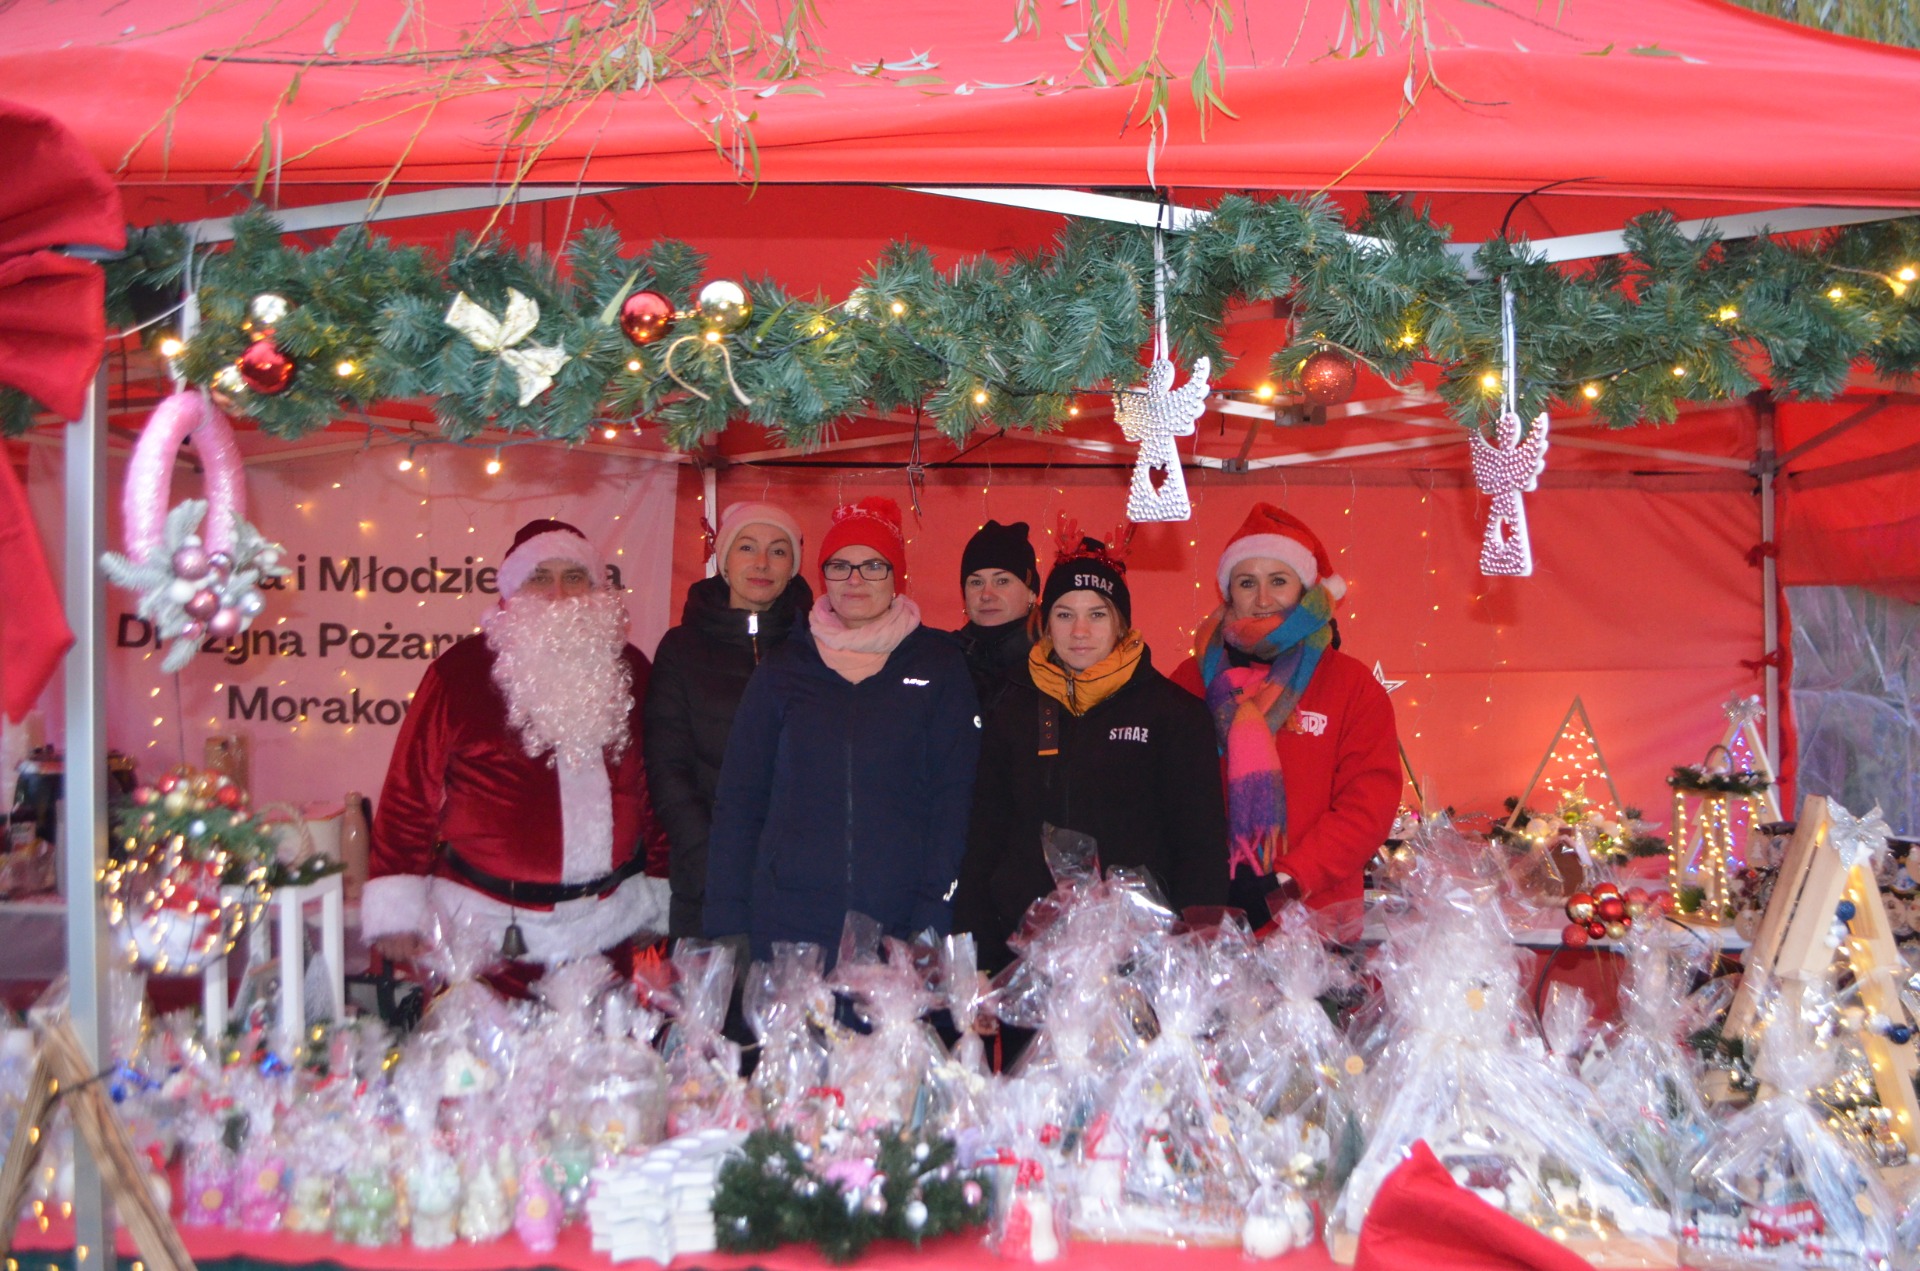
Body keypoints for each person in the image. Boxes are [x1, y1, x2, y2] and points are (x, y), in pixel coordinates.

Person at [365, 519, 669, 964]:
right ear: (512, 591)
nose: (558, 593)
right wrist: (397, 910)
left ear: (596, 589)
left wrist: (660, 890)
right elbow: (409, 793)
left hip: (606, 930)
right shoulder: (460, 673)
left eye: (574, 577)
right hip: (482, 933)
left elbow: (657, 789)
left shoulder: (632, 671)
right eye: (540, 577)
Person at [704, 496, 981, 962]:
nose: (855, 580)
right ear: (822, 576)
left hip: (899, 924)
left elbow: (953, 803)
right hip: (790, 927)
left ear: (895, 576)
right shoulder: (783, 668)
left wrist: (933, 917)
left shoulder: (938, 666)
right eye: (839, 566)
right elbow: (739, 801)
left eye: (873, 566)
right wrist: (728, 921)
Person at [954, 531, 1229, 973]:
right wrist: (978, 958)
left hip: (1140, 959)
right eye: (1064, 614)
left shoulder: (1174, 714)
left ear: (1121, 623)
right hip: (1025, 957)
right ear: (1046, 622)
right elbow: (983, 839)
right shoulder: (1012, 707)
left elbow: (1201, 851)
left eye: (1097, 614)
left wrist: (1191, 957)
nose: (1079, 631)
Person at [1169, 503, 1401, 923]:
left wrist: (1290, 879)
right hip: (1211, 915)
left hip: (1318, 919)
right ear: (1228, 593)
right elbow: (1166, 795)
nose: (1262, 599)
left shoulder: (1351, 684)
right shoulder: (1190, 679)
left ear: (1304, 589)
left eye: (1278, 580)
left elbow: (1368, 804)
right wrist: (1205, 876)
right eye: (1247, 582)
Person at [644, 502, 813, 940]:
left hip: (802, 885)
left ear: (793, 567)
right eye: (747, 547)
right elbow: (667, 769)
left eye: (778, 551)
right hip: (708, 885)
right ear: (723, 560)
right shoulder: (681, 649)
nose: (762, 563)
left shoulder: (819, 648)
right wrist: (713, 863)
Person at [952, 519, 1039, 712]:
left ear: (1032, 592)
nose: (986, 594)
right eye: (976, 583)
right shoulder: (945, 659)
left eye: (1002, 581)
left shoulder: (1055, 664)